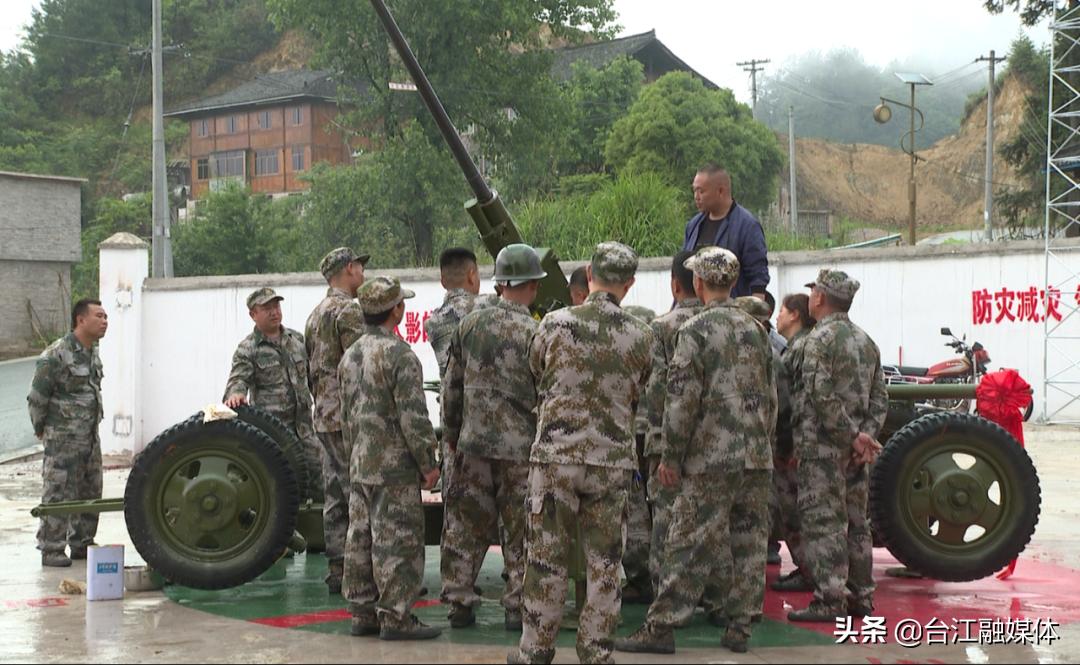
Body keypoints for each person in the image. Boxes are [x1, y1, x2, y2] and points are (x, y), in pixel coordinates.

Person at [616, 247, 776, 656]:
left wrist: (670, 457)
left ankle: (662, 626)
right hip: (755, 455)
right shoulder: (757, 329)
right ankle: (740, 627)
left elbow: (681, 400)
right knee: (749, 543)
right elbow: (771, 397)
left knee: (687, 541)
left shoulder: (696, 331)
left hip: (709, 458)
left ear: (699, 283)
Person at [511, 242, 655, 665]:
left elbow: (536, 370)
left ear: (589, 273)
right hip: (611, 462)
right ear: (628, 284)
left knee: (546, 557)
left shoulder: (554, 324)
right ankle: (595, 651)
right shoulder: (641, 334)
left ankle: (536, 650)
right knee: (605, 563)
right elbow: (640, 386)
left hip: (557, 458)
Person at [439, 244, 545, 632]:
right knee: (521, 529)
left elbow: (453, 388)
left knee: (465, 526)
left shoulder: (469, 325)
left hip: (474, 445)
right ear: (531, 286)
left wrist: (452, 434)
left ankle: (459, 601)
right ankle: (517, 606)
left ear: (499, 283)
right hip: (521, 451)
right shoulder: (537, 333)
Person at [339, 276, 441, 640]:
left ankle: (363, 613)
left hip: (360, 464)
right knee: (397, 541)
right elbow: (413, 417)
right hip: (394, 467)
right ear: (395, 310)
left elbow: (346, 415)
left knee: (361, 539)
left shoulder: (349, 355)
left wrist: (353, 459)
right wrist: (428, 463)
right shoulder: (400, 355)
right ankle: (396, 618)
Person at [788, 269, 888, 622]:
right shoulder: (866, 342)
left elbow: (820, 394)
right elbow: (880, 397)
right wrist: (865, 438)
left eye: (814, 291)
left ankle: (830, 599)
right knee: (857, 523)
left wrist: (849, 436)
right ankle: (862, 596)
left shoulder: (818, 340)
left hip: (822, 450)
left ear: (819, 297)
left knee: (823, 523)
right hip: (857, 454)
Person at [305, 247, 369, 595]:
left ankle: (337, 568)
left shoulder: (315, 315)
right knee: (358, 492)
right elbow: (361, 363)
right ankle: (362, 575)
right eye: (360, 267)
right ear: (349, 269)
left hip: (324, 417)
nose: (363, 274)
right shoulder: (349, 311)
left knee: (335, 494)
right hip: (348, 417)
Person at [28, 299, 108, 567]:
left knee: (91, 490)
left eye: (106, 316)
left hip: (89, 437)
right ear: (81, 320)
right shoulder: (56, 354)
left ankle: (82, 542)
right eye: (99, 316)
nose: (104, 321)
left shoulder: (92, 353)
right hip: (62, 439)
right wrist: (42, 430)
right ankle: (51, 548)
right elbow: (37, 397)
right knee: (59, 491)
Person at [223, 287, 323, 500]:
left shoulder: (296, 341)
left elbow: (313, 377)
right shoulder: (248, 348)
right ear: (253, 314)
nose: (274, 312)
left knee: (323, 486)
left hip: (304, 432)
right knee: (277, 493)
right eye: (266, 308)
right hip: (274, 436)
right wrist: (236, 394)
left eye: (276, 306)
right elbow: (238, 379)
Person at [643, 251, 702, 597]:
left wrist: (660, 445)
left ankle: (665, 594)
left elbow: (655, 391)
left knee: (665, 519)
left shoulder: (662, 327)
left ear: (675, 284)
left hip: (668, 441)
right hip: (711, 446)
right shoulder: (725, 323)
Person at [770, 292, 819, 592]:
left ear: (795, 315)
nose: (778, 317)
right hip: (802, 442)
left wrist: (786, 445)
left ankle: (808, 569)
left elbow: (791, 402)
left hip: (794, 444)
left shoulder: (799, 349)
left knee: (794, 510)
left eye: (783, 312)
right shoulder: (798, 347)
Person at [682, 164, 769, 299]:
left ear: (721, 191)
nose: (696, 196)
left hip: (730, 313)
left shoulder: (747, 226)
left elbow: (758, 280)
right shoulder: (693, 226)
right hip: (695, 314)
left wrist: (751, 316)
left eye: (701, 191)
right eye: (694, 190)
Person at [425, 247, 483, 380]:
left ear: (443, 282)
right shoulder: (487, 307)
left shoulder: (432, 323)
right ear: (471, 275)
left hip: (450, 398)